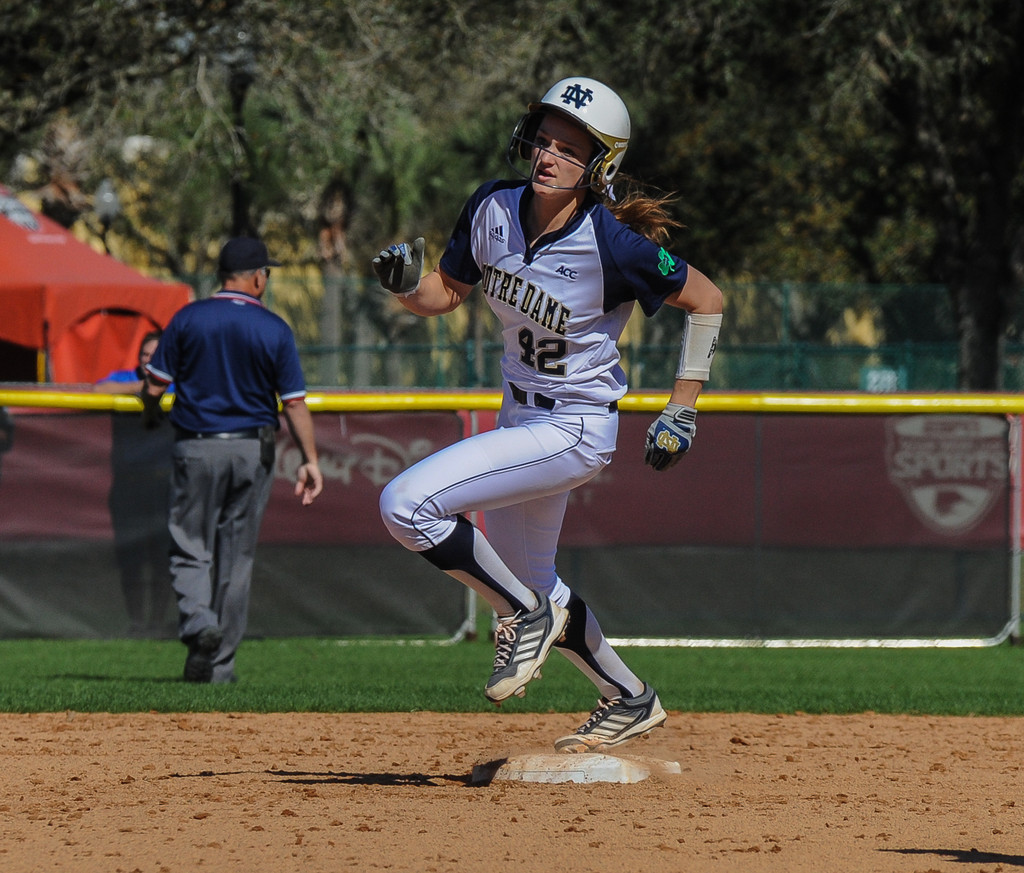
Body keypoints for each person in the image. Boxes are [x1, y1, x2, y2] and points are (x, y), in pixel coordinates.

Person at [374, 77, 723, 752]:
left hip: (575, 425)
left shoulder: (614, 242)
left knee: (406, 504)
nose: (547, 154)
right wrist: (404, 288)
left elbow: (706, 298)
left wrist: (684, 405)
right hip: (521, 419)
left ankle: (526, 615)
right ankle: (628, 695)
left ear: (601, 166)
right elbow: (446, 292)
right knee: (531, 577)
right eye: (543, 138)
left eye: (569, 148)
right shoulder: (492, 208)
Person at [142, 237, 324, 683]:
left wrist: (148, 415)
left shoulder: (188, 318)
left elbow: (153, 387)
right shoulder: (274, 328)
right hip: (251, 449)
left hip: (196, 445)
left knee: (190, 546)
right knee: (235, 558)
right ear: (258, 276)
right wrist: (310, 459)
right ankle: (219, 666)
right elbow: (294, 404)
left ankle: (200, 623)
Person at [95, 331, 175, 636]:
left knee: (163, 558)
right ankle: (137, 622)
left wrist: (156, 387)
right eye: (145, 354)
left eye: (156, 355)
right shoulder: (125, 377)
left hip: (164, 485)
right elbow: (99, 390)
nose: (149, 360)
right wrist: (143, 387)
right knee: (130, 559)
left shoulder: (177, 381)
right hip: (128, 486)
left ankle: (157, 622)